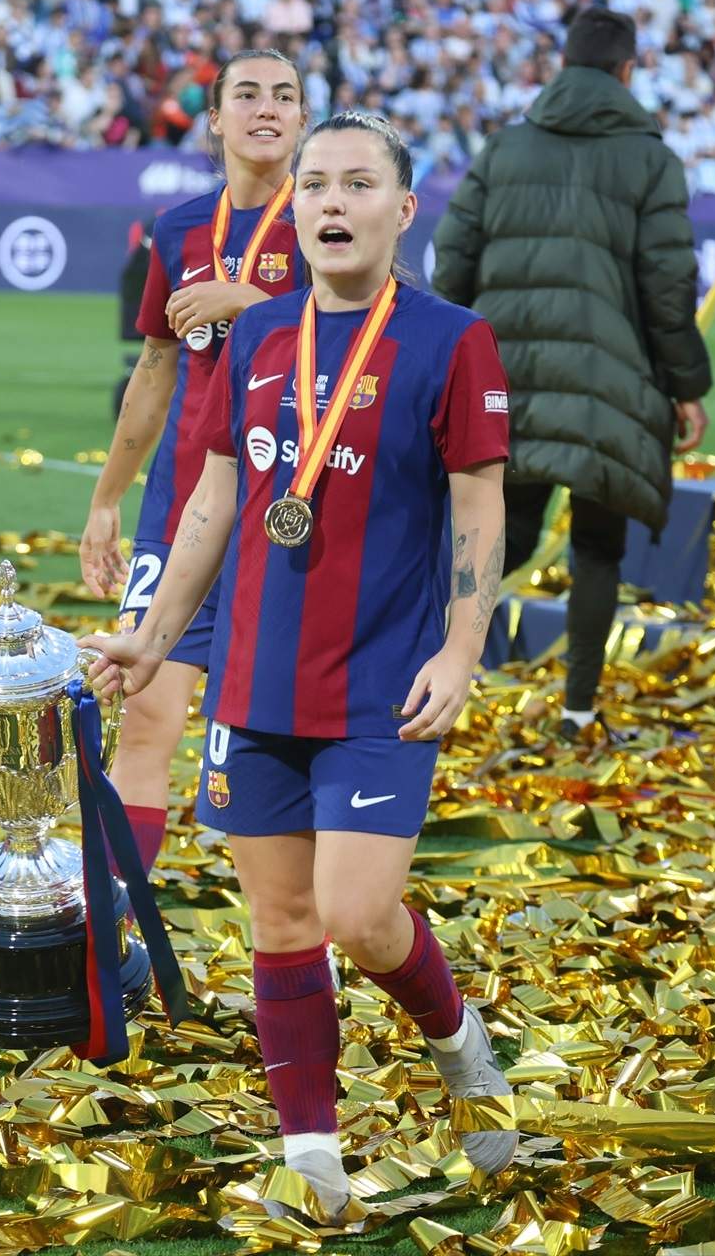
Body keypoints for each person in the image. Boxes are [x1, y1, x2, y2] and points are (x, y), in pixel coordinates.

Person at [85, 113, 519, 1218]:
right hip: (255, 680)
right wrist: (155, 633)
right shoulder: (260, 337)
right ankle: (312, 1150)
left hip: (381, 683)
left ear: (401, 209)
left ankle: (459, 1041)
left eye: (358, 183)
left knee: (361, 915)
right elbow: (218, 500)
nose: (331, 202)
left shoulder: (450, 339)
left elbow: (480, 504)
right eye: (317, 184)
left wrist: (464, 648)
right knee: (280, 924)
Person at [432, 6, 712, 743]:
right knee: (597, 549)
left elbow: (451, 262)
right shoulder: (653, 160)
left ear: (562, 67)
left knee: (498, 537)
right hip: (609, 391)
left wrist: (437, 365)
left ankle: (419, 675)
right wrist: (686, 385)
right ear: (628, 71)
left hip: (503, 380)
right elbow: (669, 287)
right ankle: (578, 714)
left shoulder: (503, 148)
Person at [79, 48, 308, 869]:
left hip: (290, 511)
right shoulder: (179, 229)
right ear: (214, 118)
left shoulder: (324, 222)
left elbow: (357, 335)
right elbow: (154, 370)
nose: (266, 109)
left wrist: (247, 302)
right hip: (179, 505)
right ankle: (118, 921)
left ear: (303, 120)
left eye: (284, 95)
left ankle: (290, 940)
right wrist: (107, 497)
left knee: (257, 736)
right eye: (246, 95)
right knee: (141, 710)